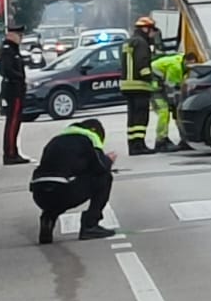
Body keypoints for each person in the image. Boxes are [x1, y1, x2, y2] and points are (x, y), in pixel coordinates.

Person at [29, 118, 116, 244]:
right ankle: (90, 225)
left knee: (57, 185)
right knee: (104, 177)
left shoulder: (55, 140)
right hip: (64, 192)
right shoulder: (89, 138)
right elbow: (100, 166)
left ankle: (48, 219)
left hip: (39, 195)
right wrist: (109, 160)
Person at [121, 16, 158, 156]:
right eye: (152, 30)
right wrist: (152, 79)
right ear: (145, 28)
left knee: (132, 117)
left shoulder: (128, 42)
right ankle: (139, 145)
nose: (153, 34)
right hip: (139, 85)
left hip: (127, 85)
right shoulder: (142, 43)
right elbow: (142, 65)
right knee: (141, 117)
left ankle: (132, 145)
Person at [149, 50, 195, 152]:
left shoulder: (182, 64)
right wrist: (174, 104)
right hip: (155, 87)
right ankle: (161, 141)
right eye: (190, 64)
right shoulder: (176, 67)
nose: (191, 67)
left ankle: (176, 139)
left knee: (173, 112)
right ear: (186, 61)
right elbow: (171, 88)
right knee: (164, 112)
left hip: (160, 85)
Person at [0, 23, 30, 165]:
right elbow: (7, 70)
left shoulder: (13, 49)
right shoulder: (7, 50)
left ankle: (13, 151)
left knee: (15, 123)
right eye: (19, 35)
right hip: (13, 90)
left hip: (17, 89)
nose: (20, 38)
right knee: (12, 122)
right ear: (12, 35)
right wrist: (20, 79)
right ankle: (10, 153)